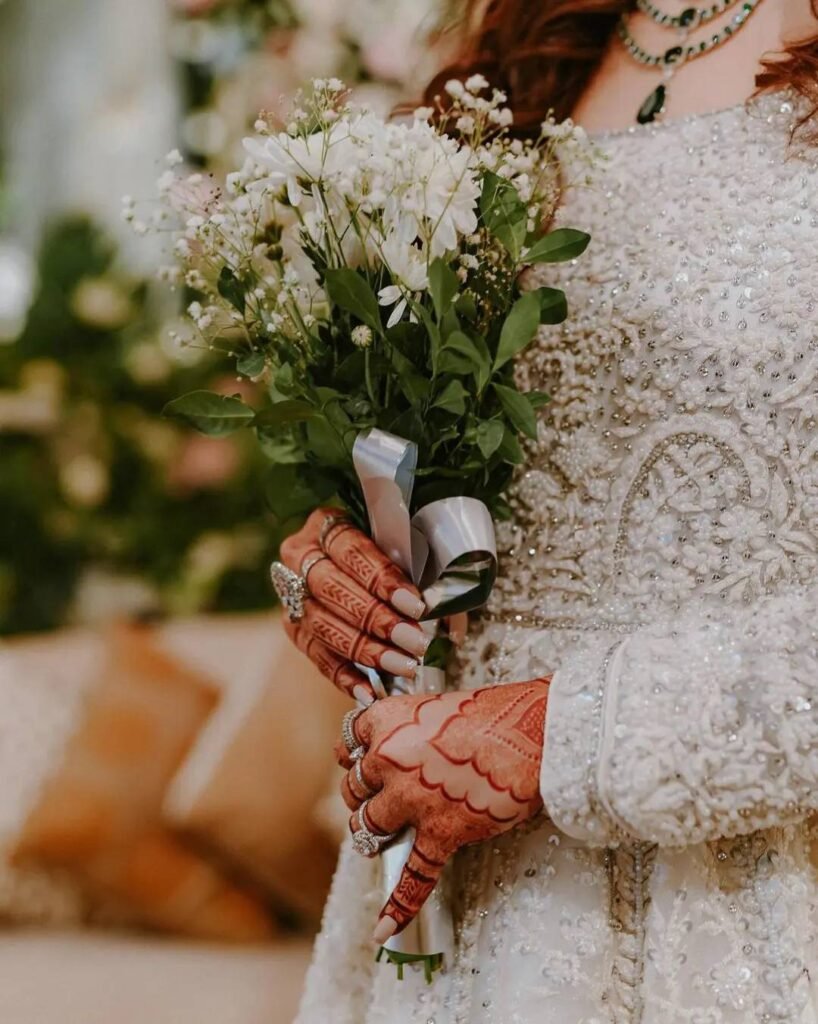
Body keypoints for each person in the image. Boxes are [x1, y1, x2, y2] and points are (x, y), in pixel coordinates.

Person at [288, 1, 818, 1020]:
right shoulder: (526, 55)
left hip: (755, 914)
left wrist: (564, 734)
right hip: (476, 899)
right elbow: (478, 479)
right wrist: (349, 559)